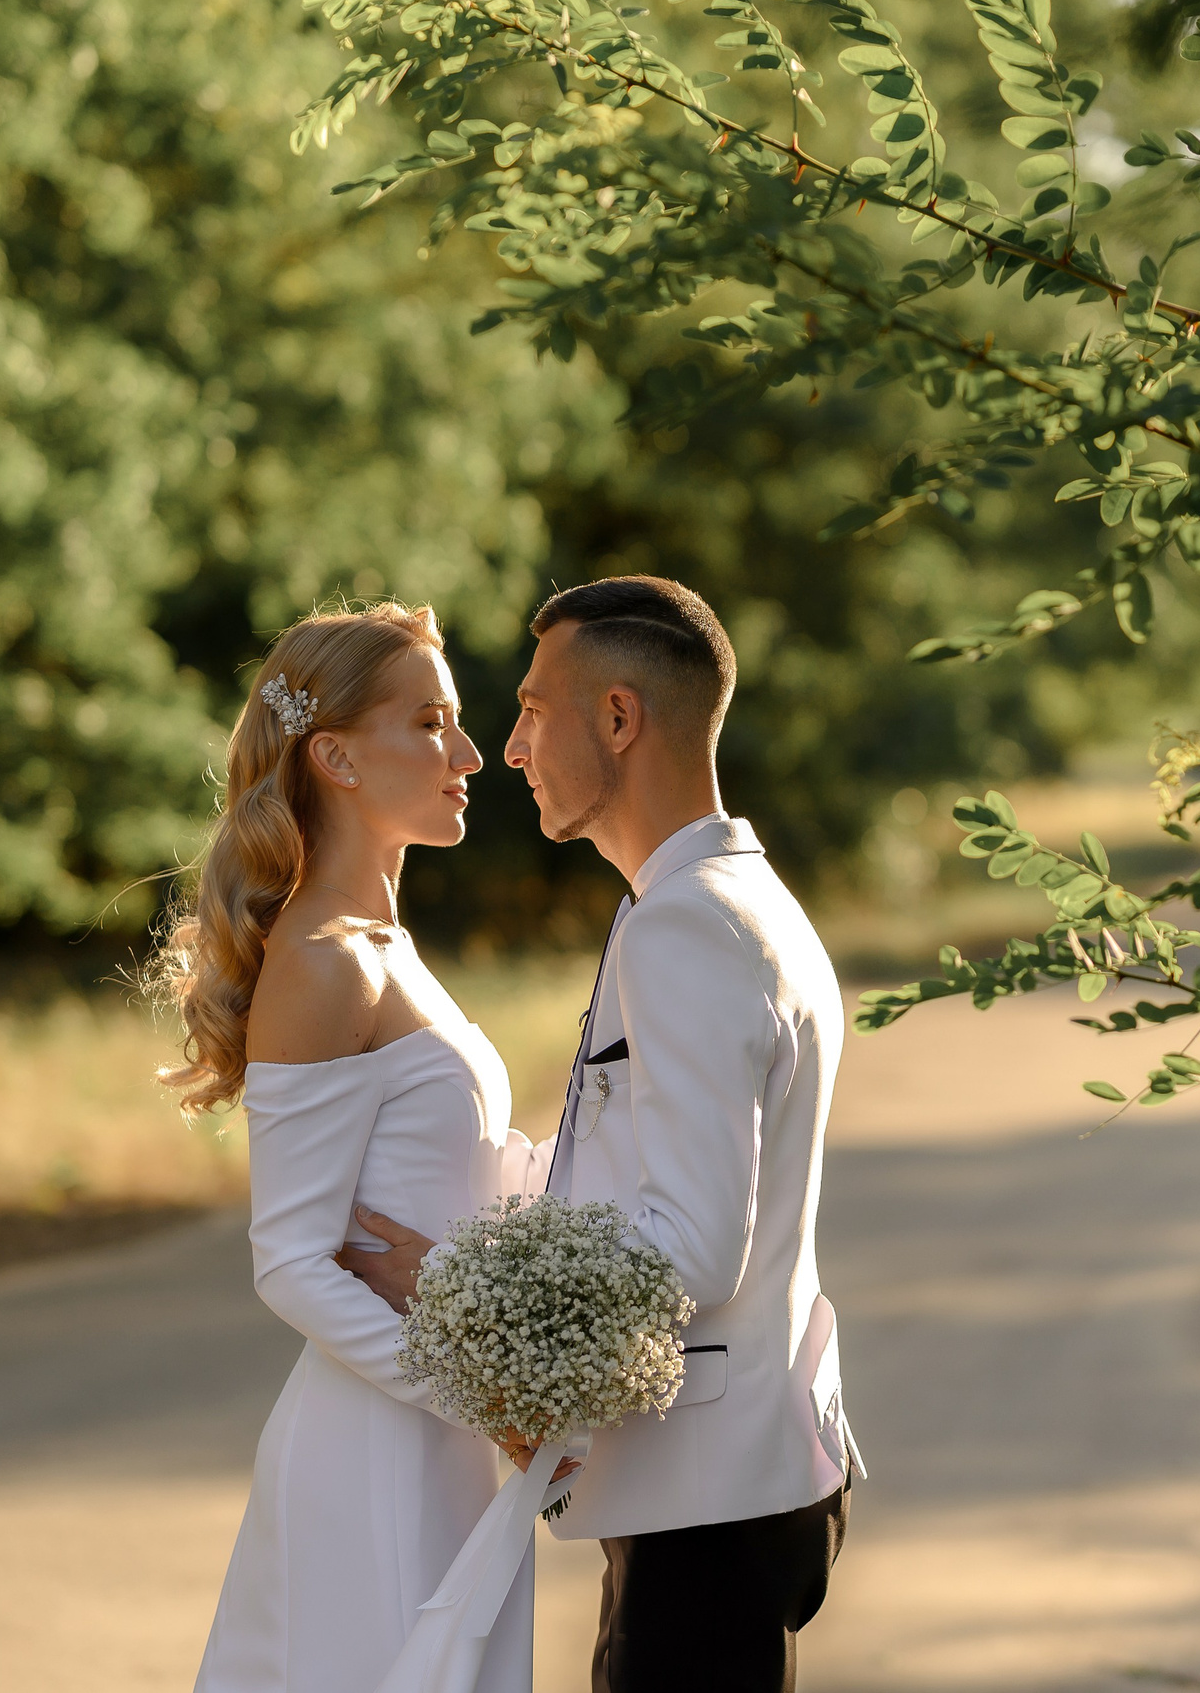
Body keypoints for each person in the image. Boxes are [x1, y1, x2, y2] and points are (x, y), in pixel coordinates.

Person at [344, 576, 862, 1693]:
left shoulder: (689, 925)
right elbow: (635, 1175)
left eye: (534, 710)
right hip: (718, 1482)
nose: (511, 746)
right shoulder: (724, 900)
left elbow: (694, 1239)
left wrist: (456, 1290)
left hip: (707, 1499)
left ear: (619, 718)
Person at [156, 603, 552, 1693]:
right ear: (333, 754)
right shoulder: (325, 960)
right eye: (431, 723)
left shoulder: (388, 944)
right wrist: (479, 1390)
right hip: (379, 1442)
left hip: (444, 1442)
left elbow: (457, 1174)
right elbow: (289, 1260)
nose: (471, 754)